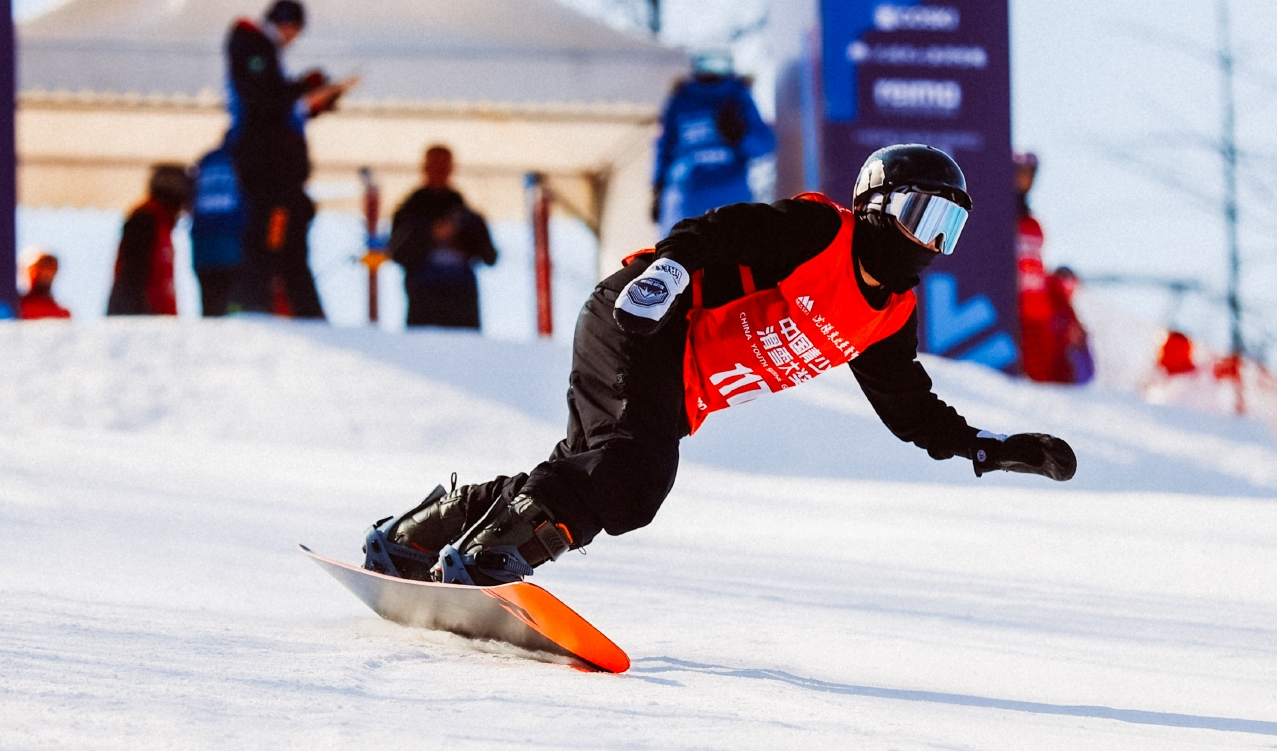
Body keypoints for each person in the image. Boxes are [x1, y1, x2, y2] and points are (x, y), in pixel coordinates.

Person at [363, 144, 1078, 588]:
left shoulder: (887, 314)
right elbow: (724, 229)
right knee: (633, 481)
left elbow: (909, 407)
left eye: (947, 231)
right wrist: (669, 270)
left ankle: (420, 535)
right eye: (924, 219)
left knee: (591, 475)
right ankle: (489, 559)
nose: (931, 244)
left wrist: (983, 446)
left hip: (671, 387)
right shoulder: (820, 233)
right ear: (878, 208)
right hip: (644, 317)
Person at [226, 0, 353, 319]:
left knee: (282, 238)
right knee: (269, 238)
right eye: (294, 29)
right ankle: (258, 305)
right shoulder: (253, 44)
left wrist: (313, 102)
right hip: (267, 168)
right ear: (285, 24)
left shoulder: (259, 48)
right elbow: (263, 100)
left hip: (273, 168)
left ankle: (280, 306)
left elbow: (275, 108)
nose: (294, 38)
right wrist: (302, 87)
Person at [653, 50, 776, 231]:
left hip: (721, 197)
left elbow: (765, 145)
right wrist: (657, 188)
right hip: (688, 197)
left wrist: (740, 136)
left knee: (693, 253)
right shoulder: (680, 99)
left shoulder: (738, 97)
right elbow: (663, 146)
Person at [388, 144, 497, 329]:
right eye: (434, 165)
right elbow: (396, 253)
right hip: (423, 303)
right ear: (424, 168)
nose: (439, 171)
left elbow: (489, 256)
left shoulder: (468, 215)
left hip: (461, 304)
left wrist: (462, 239)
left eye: (443, 166)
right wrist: (429, 236)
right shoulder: (407, 214)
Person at [1013, 150, 1091, 385]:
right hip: (1012, 310)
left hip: (1038, 312)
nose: (1024, 179)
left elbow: (1036, 268)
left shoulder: (1032, 223)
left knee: (1045, 378)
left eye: (1029, 174)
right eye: (1019, 173)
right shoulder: (997, 218)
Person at [105, 164, 192, 317]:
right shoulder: (144, 219)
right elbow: (132, 276)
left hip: (155, 318)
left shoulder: (162, 223)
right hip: (140, 318)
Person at [189, 144, 246, 317]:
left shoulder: (206, 159)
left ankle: (211, 338)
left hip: (202, 249)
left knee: (210, 306)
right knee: (234, 307)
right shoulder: (244, 158)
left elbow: (190, 197)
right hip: (233, 246)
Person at [16, 249, 71, 320]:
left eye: (51, 267)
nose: (46, 273)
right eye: (40, 267)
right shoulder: (14, 305)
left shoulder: (62, 314)